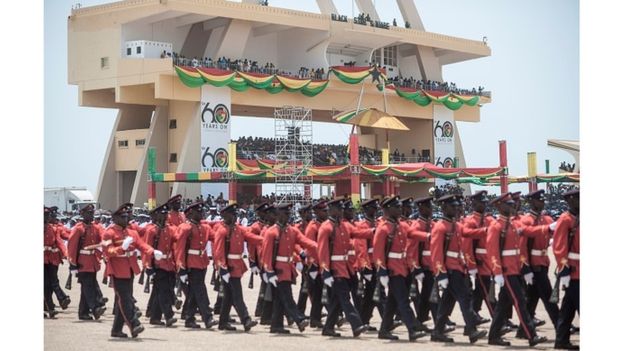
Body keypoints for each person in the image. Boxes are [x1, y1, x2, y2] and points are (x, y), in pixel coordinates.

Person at [486, 193, 548, 346]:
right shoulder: (496, 226)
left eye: (512, 203)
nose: (512, 206)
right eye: (508, 204)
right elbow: (492, 251)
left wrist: (548, 228)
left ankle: (493, 336)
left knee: (502, 306)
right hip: (506, 271)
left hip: (515, 269)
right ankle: (531, 335)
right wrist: (498, 272)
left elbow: (529, 231)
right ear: (499, 206)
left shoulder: (513, 224)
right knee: (520, 301)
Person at [429, 194, 488, 344]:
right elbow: (436, 252)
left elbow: (469, 233)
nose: (456, 209)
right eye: (452, 206)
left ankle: (437, 331)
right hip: (449, 269)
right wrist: (440, 273)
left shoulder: (456, 225)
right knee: (465, 299)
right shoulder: (440, 227)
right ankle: (472, 330)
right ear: (444, 208)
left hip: (458, 267)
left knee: (446, 303)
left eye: (457, 206)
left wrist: (488, 230)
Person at [103, 202, 163, 338]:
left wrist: (152, 252)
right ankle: (134, 323)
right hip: (117, 269)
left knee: (123, 300)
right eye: (122, 217)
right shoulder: (109, 233)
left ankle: (116, 330)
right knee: (125, 299)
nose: (126, 219)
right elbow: (108, 252)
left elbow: (142, 245)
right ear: (115, 218)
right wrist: (121, 248)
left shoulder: (132, 232)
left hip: (130, 268)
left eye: (126, 216)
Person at [373, 196, 429, 342]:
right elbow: (378, 252)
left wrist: (429, 236)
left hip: (403, 267)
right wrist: (382, 271)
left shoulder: (401, 225)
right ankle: (412, 329)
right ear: (387, 209)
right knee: (404, 300)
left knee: (392, 301)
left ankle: (384, 329)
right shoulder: (383, 229)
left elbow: (412, 234)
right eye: (396, 207)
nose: (400, 209)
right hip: (393, 269)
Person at [261, 203, 318, 334]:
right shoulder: (271, 232)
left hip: (287, 268)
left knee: (280, 299)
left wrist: (318, 245)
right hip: (277, 270)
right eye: (286, 214)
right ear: (279, 214)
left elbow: (304, 241)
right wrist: (269, 271)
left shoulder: (292, 230)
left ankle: (276, 325)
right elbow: (266, 253)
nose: (288, 216)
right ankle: (299, 319)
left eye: (289, 214)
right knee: (287, 296)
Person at [318, 198, 370, 338]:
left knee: (336, 300)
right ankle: (356, 324)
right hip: (335, 269)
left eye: (342, 209)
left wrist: (374, 231)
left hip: (345, 268)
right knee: (345, 297)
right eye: (339, 209)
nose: (342, 211)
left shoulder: (344, 225)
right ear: (332, 210)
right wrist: (325, 272)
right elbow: (322, 251)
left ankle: (328, 327)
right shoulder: (326, 227)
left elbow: (358, 233)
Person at [213, 203, 263, 332]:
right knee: (237, 295)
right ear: (224, 215)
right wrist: (222, 268)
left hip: (236, 266)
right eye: (232, 215)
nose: (235, 217)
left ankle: (223, 322)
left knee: (228, 297)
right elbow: (218, 251)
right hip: (228, 268)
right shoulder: (222, 231)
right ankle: (246, 320)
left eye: (235, 215)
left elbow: (251, 237)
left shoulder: (238, 229)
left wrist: (264, 239)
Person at [520, 190, 559, 333]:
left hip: (543, 261)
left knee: (532, 298)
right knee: (548, 296)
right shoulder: (526, 220)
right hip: (533, 264)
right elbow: (522, 246)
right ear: (531, 202)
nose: (542, 203)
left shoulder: (546, 219)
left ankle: (522, 330)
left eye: (543, 201)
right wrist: (525, 268)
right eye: (539, 201)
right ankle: (560, 324)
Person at [175, 202, 219, 329]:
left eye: (201, 211)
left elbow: (215, 237)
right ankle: (208, 317)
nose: (201, 213)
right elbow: (180, 249)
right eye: (198, 212)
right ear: (191, 213)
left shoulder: (204, 227)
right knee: (200, 290)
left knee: (194, 292)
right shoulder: (185, 228)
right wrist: (181, 268)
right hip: (191, 263)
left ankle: (189, 318)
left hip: (202, 262)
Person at [67, 204, 106, 320]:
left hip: (92, 261)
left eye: (92, 213)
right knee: (88, 286)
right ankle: (95, 308)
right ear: (82, 214)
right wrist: (73, 265)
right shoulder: (79, 228)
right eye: (88, 213)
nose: (91, 215)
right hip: (82, 262)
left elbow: (102, 238)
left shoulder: (95, 227)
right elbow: (72, 247)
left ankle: (83, 312)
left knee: (86, 287)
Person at [461, 191, 495, 324]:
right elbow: (467, 246)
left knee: (481, 291)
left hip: (489, 260)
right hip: (479, 262)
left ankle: (473, 316)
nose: (484, 204)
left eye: (485, 202)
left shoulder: (489, 220)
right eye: (481, 202)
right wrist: (472, 265)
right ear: (474, 204)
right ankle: (498, 319)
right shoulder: (470, 221)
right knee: (485, 291)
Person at [142, 203, 178, 327]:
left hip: (169, 264)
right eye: (162, 214)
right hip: (158, 265)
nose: (165, 216)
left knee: (160, 291)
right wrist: (148, 266)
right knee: (164, 291)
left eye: (165, 214)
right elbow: (146, 248)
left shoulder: (170, 229)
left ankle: (155, 317)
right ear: (156, 215)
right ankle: (169, 315)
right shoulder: (152, 231)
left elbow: (176, 242)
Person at [553, 189, 580, 350]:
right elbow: (559, 247)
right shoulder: (565, 219)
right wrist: (564, 270)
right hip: (573, 271)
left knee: (567, 310)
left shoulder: (578, 218)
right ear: (571, 200)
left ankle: (561, 340)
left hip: (578, 271)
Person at [354, 198, 384, 331]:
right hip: (369, 265)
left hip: (378, 263)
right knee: (379, 293)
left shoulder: (378, 224)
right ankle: (387, 321)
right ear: (366, 210)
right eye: (372, 208)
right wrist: (365, 267)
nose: (375, 210)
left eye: (376, 207)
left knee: (370, 294)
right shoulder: (362, 226)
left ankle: (363, 320)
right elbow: (361, 248)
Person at [304, 200, 329, 328]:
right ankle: (315, 319)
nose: (326, 213)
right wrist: (313, 264)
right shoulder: (312, 227)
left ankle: (316, 318)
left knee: (321, 293)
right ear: (317, 212)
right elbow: (309, 246)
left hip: (323, 263)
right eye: (324, 211)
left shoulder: (324, 225)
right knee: (318, 293)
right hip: (316, 265)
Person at [44, 206, 71, 318]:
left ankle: (49, 307)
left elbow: (59, 242)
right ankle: (50, 307)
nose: (46, 217)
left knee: (50, 284)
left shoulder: (53, 229)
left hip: (51, 259)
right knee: (45, 284)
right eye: (45, 215)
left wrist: (66, 254)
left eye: (47, 215)